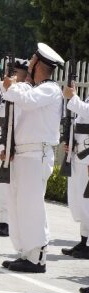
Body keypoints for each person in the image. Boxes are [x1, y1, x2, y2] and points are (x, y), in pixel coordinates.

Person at [0, 43, 64, 273]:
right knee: (19, 205)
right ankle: (26, 252)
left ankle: (37, 256)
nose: (28, 63)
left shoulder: (50, 89)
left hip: (37, 155)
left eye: (31, 60)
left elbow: (24, 99)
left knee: (31, 205)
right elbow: (12, 97)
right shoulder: (32, 88)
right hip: (24, 154)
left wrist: (13, 86)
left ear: (37, 64)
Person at [0, 58, 28, 236]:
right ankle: (1, 217)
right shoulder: (4, 86)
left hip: (10, 141)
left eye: (17, 71)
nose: (14, 74)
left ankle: (8, 221)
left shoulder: (24, 90)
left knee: (7, 183)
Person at [61, 77, 89, 259]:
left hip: (87, 157)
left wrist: (73, 99)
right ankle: (84, 241)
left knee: (87, 203)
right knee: (80, 202)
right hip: (80, 155)